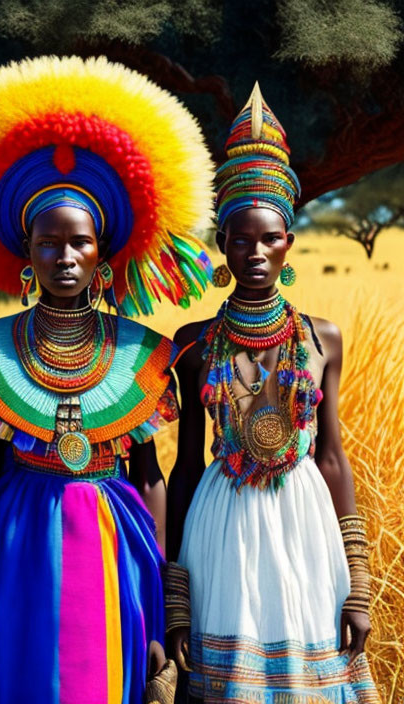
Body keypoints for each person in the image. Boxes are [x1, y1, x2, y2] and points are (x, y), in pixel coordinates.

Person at [0, 55, 215, 703]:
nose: (64, 255)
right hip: (21, 541)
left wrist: (166, 593)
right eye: (47, 242)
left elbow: (149, 474)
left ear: (102, 251)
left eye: (79, 241)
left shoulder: (142, 354)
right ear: (25, 251)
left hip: (117, 539)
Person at [166, 84, 380, 703]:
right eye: (240, 239)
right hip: (218, 524)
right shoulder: (193, 341)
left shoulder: (323, 339)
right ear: (223, 247)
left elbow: (333, 456)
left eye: (270, 239)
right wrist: (175, 591)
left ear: (289, 243)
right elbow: (183, 467)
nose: (255, 252)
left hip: (305, 525)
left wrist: (358, 581)